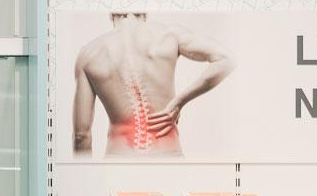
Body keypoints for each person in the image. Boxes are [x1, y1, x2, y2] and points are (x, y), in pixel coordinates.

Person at [72, 12, 234, 158]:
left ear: (111, 15)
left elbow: (81, 136)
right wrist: (179, 103)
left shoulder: (88, 54)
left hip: (119, 162)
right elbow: (226, 60)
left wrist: (85, 179)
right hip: (168, 159)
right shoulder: (169, 35)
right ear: (144, 14)